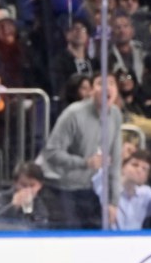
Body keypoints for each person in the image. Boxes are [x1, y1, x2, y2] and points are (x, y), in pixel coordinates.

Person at [37, 72, 122, 229]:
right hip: (58, 188)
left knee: (96, 234)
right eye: (100, 84)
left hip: (85, 187)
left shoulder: (115, 115)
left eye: (111, 83)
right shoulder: (73, 113)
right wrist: (85, 163)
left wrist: (113, 202)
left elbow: (115, 163)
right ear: (91, 91)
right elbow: (51, 152)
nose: (106, 88)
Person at [92, 148, 151, 230]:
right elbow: (97, 179)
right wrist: (118, 156)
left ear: (146, 177)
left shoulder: (145, 194)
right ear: (122, 167)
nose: (139, 170)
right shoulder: (107, 187)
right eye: (134, 165)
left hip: (135, 246)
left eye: (145, 169)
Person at [0, 161, 50, 230]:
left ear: (40, 186)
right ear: (15, 183)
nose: (28, 190)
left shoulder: (42, 203)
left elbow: (41, 229)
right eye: (24, 185)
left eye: (32, 186)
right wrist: (13, 206)